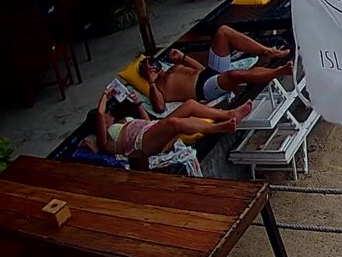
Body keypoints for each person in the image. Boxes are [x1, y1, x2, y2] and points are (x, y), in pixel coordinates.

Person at [140, 25, 292, 112]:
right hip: (204, 90)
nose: (154, 67)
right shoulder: (158, 88)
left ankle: (267, 51)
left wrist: (183, 58)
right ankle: (279, 71)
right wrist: (151, 82)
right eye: (149, 68)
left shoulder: (171, 69)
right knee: (234, 75)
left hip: (207, 73)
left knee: (223, 32)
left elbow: (200, 70)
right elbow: (160, 108)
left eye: (153, 63)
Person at [87, 86, 250, 159]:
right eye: (107, 114)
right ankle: (218, 128)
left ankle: (229, 114)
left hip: (150, 129)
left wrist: (138, 104)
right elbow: (100, 115)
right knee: (174, 123)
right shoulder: (105, 141)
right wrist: (105, 94)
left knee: (190, 105)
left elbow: (146, 122)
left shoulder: (122, 122)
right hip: (143, 143)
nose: (109, 114)